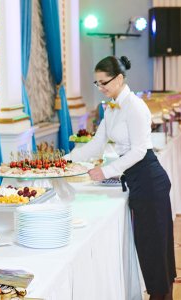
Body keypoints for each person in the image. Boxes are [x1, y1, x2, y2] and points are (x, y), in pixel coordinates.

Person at [68, 56, 176, 300]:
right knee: (148, 247)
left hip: (149, 178)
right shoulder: (111, 107)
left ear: (118, 79)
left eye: (103, 82)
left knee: (155, 246)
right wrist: (65, 162)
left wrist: (105, 171)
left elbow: (139, 151)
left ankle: (162, 296)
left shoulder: (135, 106)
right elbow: (97, 144)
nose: (101, 88)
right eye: (97, 84)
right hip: (137, 179)